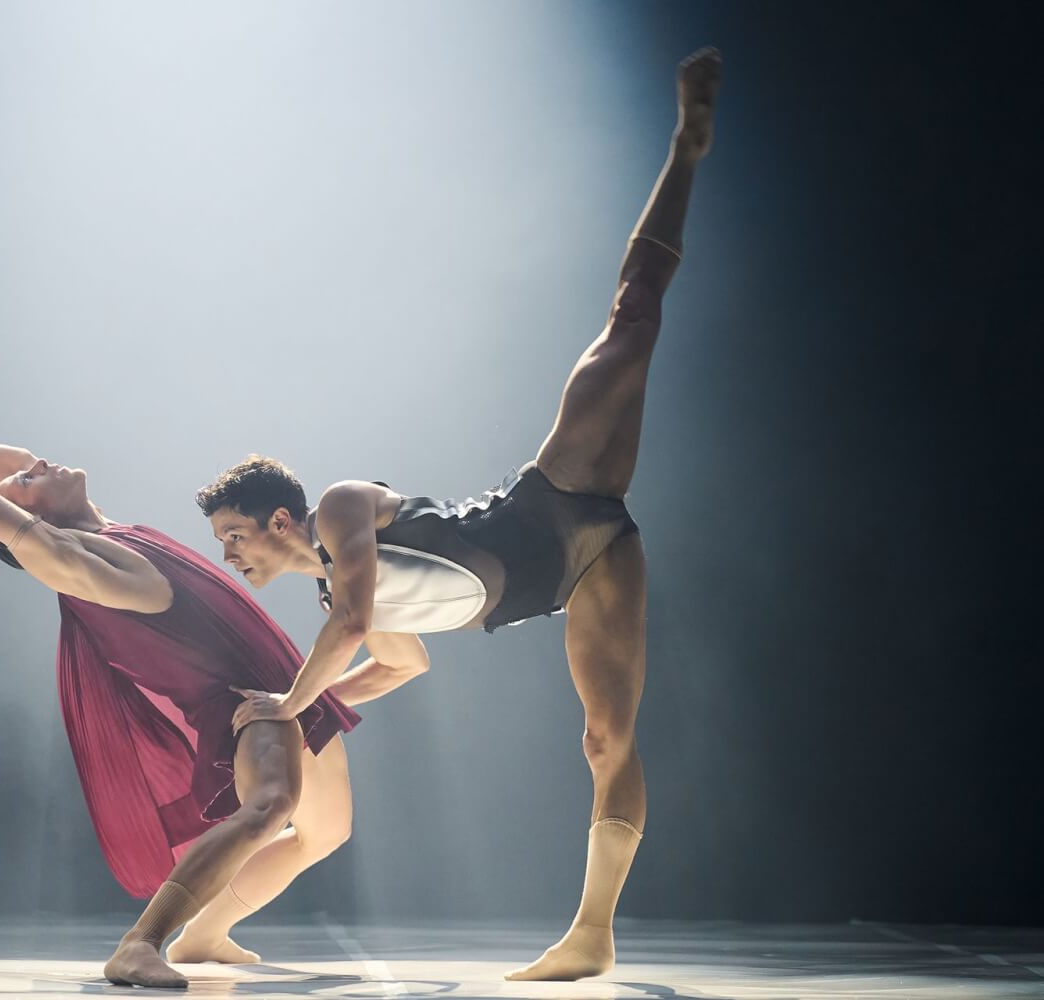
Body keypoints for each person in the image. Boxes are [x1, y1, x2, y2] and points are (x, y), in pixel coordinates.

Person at [196, 49, 722, 982]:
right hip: (588, 573)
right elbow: (401, 660)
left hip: (556, 504)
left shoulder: (338, 507)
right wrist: (310, 716)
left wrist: (292, 699)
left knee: (632, 319)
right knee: (605, 737)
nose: (232, 557)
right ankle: (593, 937)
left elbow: (362, 623)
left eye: (234, 537)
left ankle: (687, 145)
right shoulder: (327, 600)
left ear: (281, 519)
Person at [0, 445, 360, 988]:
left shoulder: (105, 528)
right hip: (245, 700)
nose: (36, 465)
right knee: (270, 805)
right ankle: (139, 945)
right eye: (26, 483)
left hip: (281, 679)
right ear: (33, 519)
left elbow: (10, 458)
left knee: (326, 829)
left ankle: (203, 934)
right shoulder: (78, 560)